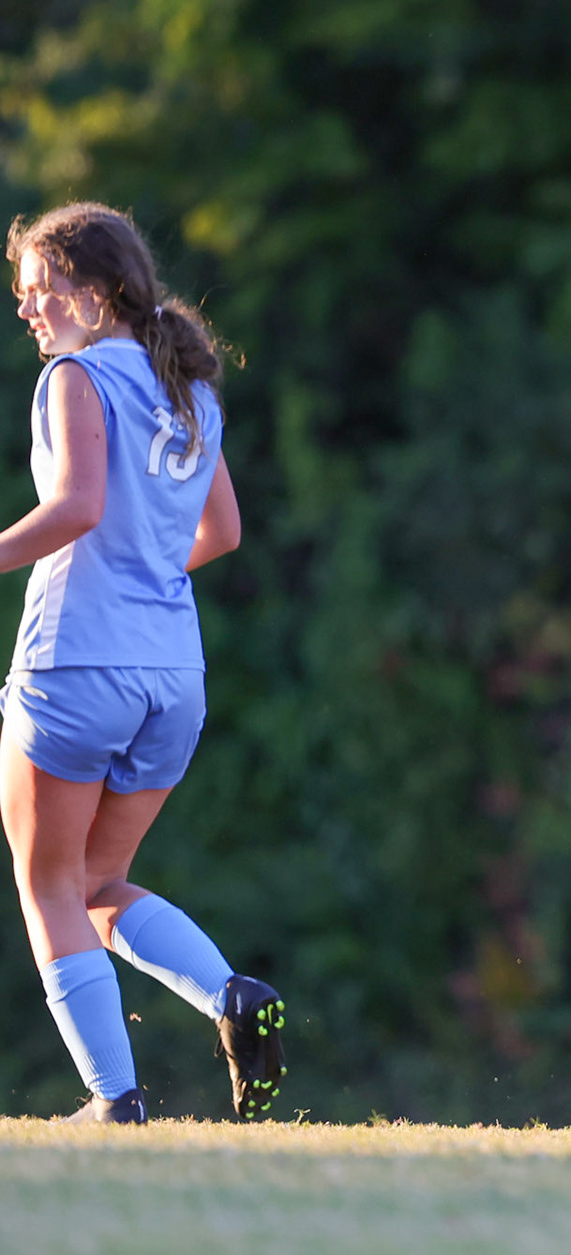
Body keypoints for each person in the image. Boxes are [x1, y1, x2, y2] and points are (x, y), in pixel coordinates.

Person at [3, 203, 285, 1124]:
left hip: (78, 664)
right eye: (22, 295)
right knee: (91, 888)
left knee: (48, 887)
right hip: (173, 678)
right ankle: (231, 996)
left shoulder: (75, 376)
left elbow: (77, 508)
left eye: (41, 290)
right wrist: (143, 562)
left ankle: (113, 1102)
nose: (29, 311)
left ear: (95, 290)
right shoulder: (190, 388)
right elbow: (224, 532)